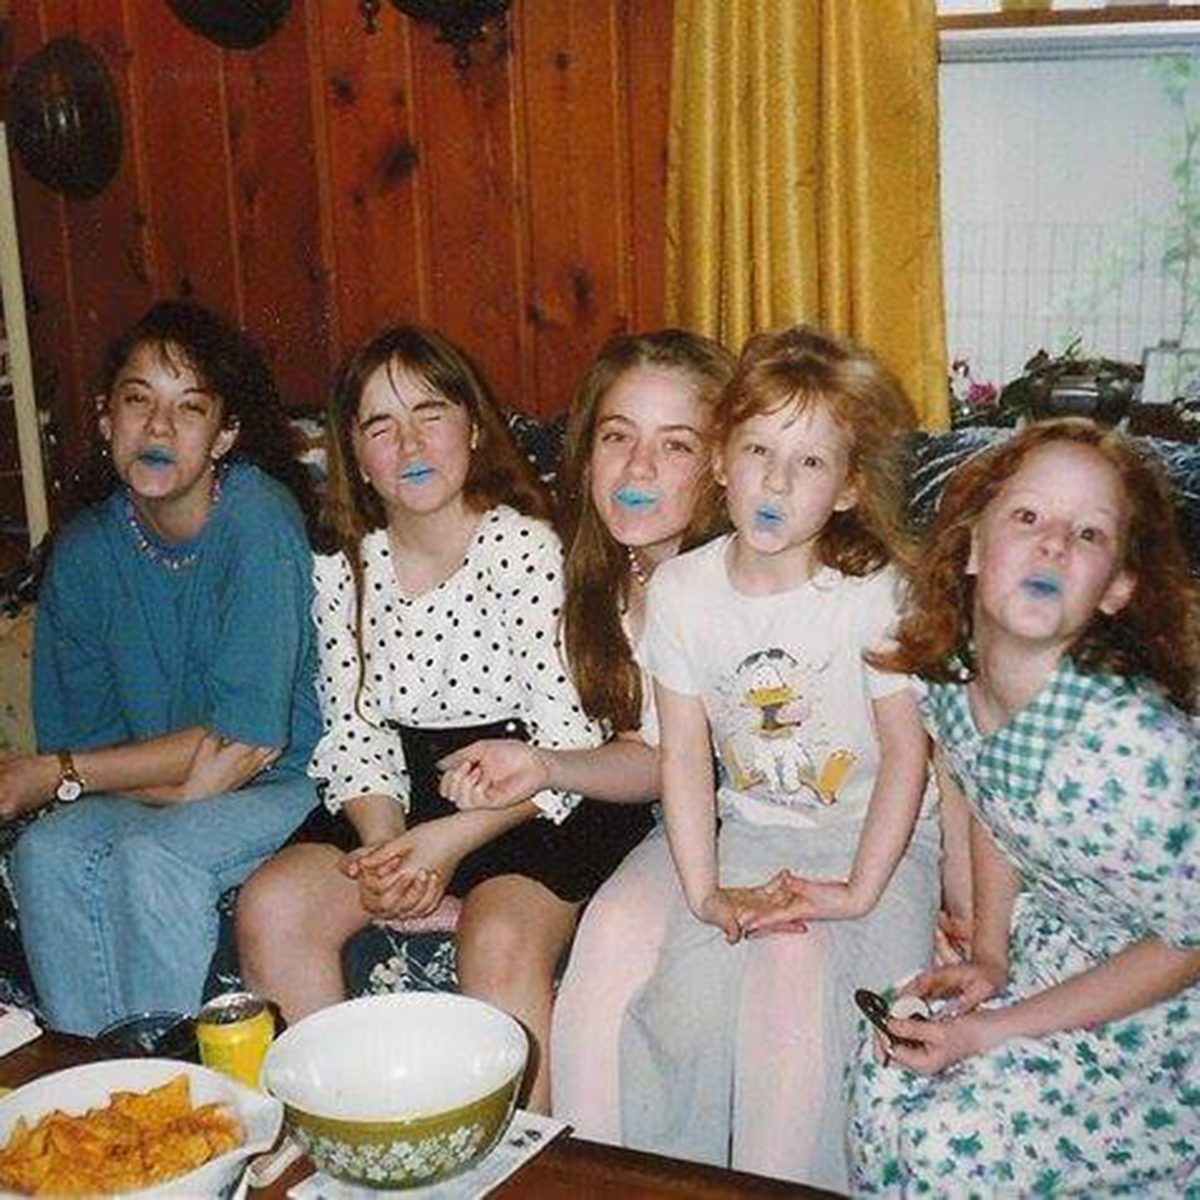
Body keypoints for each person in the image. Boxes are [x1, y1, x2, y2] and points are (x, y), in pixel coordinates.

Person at [235, 325, 652, 1111]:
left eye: (431, 413)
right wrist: (387, 846)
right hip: (408, 792)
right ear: (355, 455)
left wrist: (448, 844)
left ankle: (527, 1159)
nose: (411, 443)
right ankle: (344, 1128)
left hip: (537, 795)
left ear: (472, 427)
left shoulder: (524, 548)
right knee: (274, 904)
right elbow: (355, 730)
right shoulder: (343, 564)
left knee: (497, 936)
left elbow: (565, 740)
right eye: (381, 426)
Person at [619, 325, 940, 1191]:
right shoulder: (682, 592)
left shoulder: (873, 592)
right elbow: (685, 758)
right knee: (683, 1006)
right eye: (758, 449)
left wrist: (860, 891)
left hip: (881, 836)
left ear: (847, 488)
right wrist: (703, 892)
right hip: (757, 827)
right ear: (721, 459)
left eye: (809, 462)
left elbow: (907, 759)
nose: (776, 480)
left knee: (870, 1021)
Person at [848, 419, 1200, 1196]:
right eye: (1029, 516)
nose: (1054, 545)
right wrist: (990, 955)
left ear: (1117, 587)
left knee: (951, 1141)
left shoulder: (1139, 749)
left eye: (1088, 533)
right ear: (973, 547)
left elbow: (1187, 946)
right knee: (884, 1077)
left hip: (1164, 1020)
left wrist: (992, 1030)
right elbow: (993, 802)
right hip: (1055, 950)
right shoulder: (948, 676)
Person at [433, 330, 734, 1139]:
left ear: (721, 464)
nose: (638, 469)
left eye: (676, 446)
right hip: (626, 813)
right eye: (617, 437)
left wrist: (545, 769)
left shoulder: (729, 580)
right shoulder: (583, 570)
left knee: (615, 949)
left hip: (729, 821)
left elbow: (663, 760)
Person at [1, 299, 321, 1035]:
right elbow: (89, 749)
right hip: (174, 783)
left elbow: (245, 741)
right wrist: (131, 782)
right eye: (138, 400)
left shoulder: (259, 520)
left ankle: (178, 1089)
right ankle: (98, 1085)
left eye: (189, 408)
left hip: (289, 778)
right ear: (105, 418)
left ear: (225, 435)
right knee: (46, 853)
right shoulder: (83, 553)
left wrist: (61, 774)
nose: (158, 428)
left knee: (155, 861)